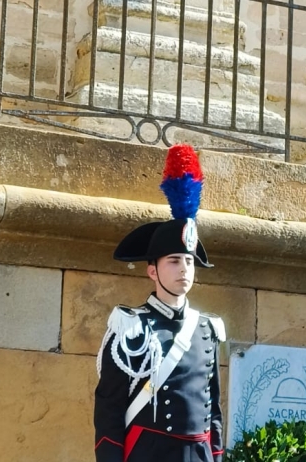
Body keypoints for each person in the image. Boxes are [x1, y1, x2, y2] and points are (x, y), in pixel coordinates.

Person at [94, 144, 226, 462]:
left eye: (189, 261)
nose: (184, 269)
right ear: (152, 270)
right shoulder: (130, 327)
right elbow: (109, 411)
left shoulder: (207, 328)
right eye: (174, 261)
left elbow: (213, 410)